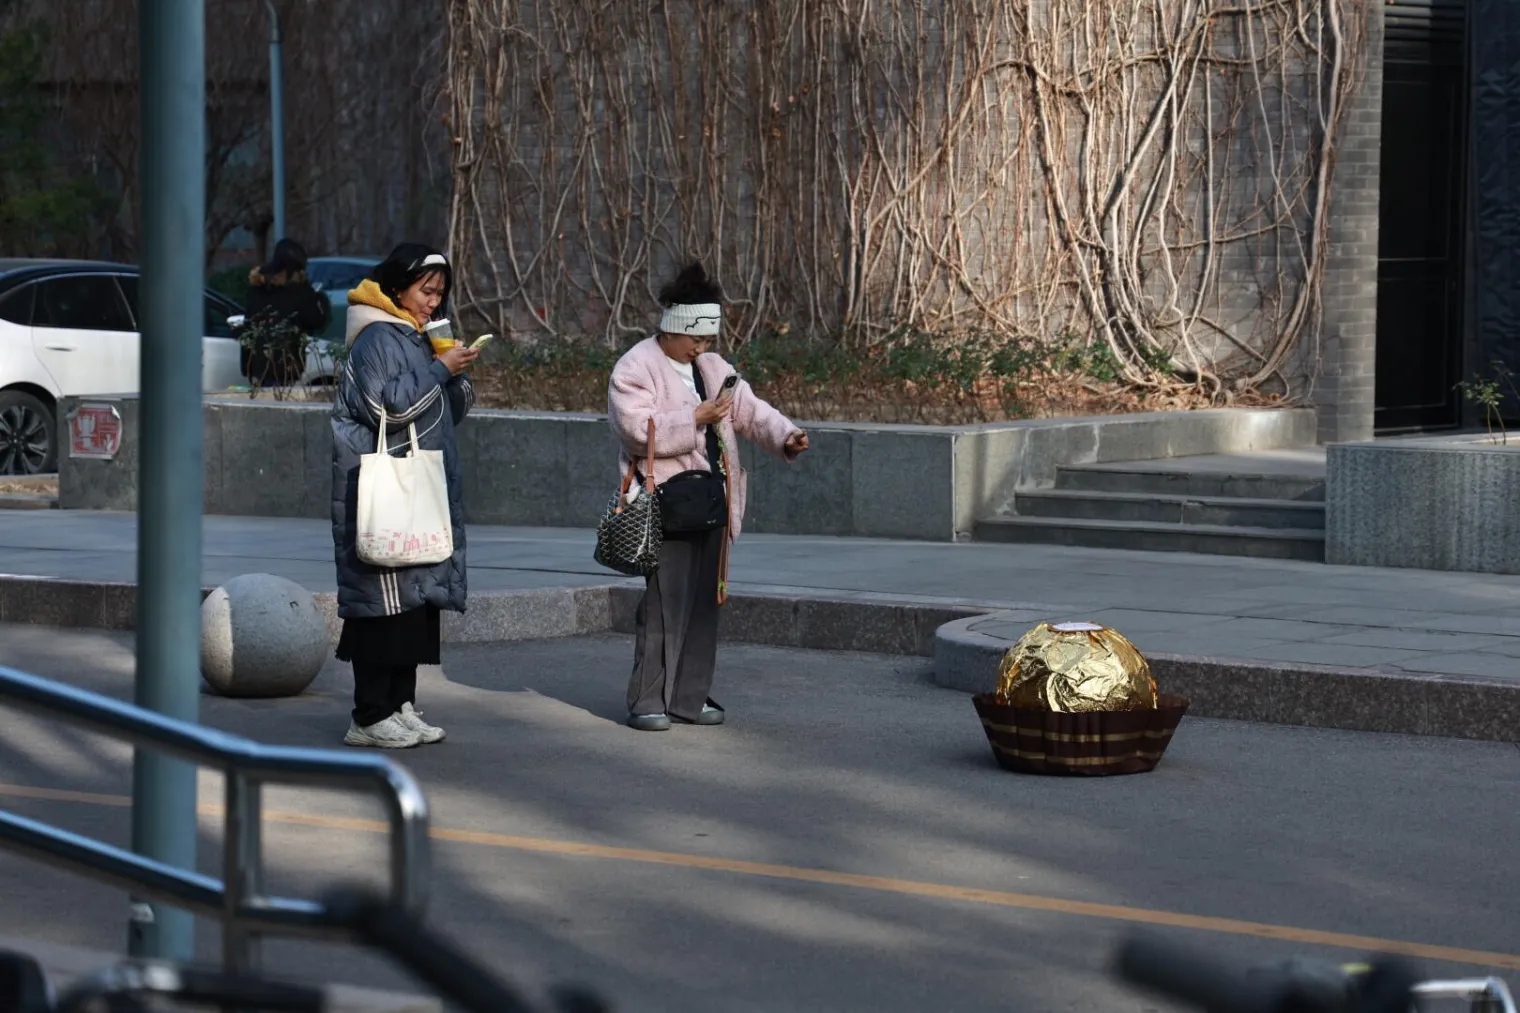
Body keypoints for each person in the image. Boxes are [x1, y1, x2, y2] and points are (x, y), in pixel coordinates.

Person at [607, 262, 810, 731]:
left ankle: (689, 697)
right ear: (672, 327)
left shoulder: (714, 367)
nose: (700, 347)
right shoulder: (635, 366)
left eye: (707, 339)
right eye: (694, 338)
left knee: (704, 605)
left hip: (714, 498)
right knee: (665, 603)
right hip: (666, 500)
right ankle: (648, 699)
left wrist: (786, 434)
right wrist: (694, 418)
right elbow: (634, 430)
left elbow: (749, 410)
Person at [330, 243, 478, 748]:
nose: (434, 302)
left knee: (415, 602)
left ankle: (398, 705)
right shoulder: (375, 337)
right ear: (396, 288)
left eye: (440, 293)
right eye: (426, 291)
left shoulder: (415, 337)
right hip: (386, 493)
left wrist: (452, 369)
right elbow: (384, 408)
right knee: (382, 605)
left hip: (418, 489)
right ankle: (368, 715)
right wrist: (438, 370)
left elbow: (448, 412)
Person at [242, 238, 331, 386]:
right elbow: (315, 320)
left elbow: (248, 328)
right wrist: (313, 294)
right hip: (285, 369)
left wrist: (247, 367)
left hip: (259, 369)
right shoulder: (297, 292)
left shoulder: (258, 289)